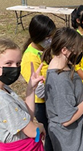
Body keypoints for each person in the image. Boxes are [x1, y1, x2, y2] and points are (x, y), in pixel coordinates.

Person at [43, 27, 83, 151]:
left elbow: (70, 94)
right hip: (69, 140)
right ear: (64, 50)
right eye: (77, 49)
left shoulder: (64, 66)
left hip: (74, 134)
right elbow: (66, 119)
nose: (79, 52)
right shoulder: (60, 79)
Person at [21, 15, 56, 151]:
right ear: (39, 36)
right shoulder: (30, 57)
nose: (51, 39)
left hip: (50, 99)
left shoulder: (44, 49)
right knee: (49, 134)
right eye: (48, 37)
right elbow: (39, 90)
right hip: (41, 103)